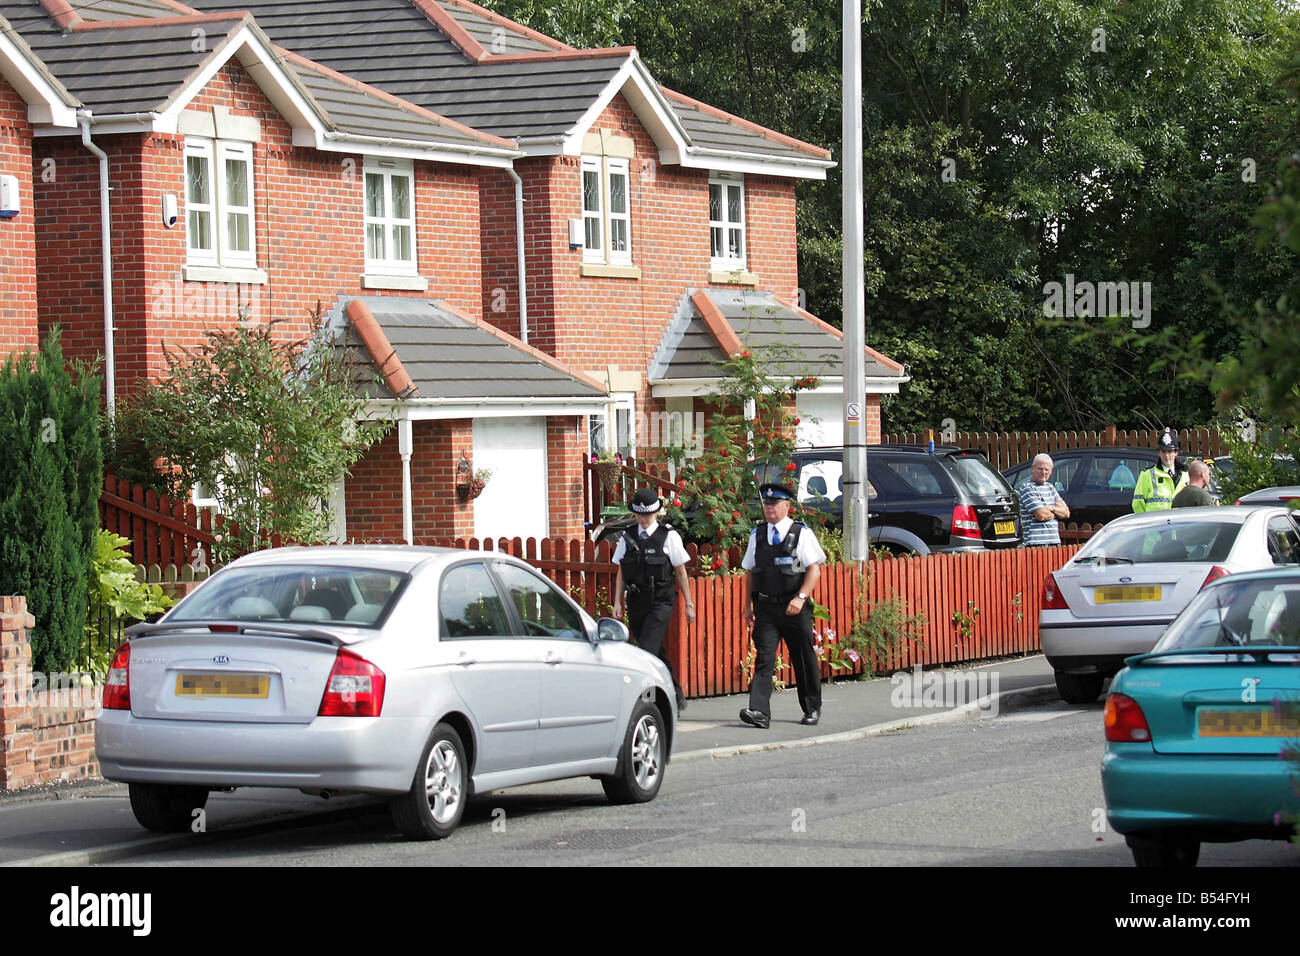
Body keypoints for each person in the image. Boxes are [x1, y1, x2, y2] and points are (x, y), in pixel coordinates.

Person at [739, 482, 827, 729]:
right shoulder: (757, 534)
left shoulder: (800, 533)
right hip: (766, 606)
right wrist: (747, 606)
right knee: (765, 658)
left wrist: (800, 597)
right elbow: (749, 572)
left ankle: (811, 707)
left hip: (794, 607)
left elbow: (814, 570)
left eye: (774, 504)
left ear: (787, 506)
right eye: (766, 504)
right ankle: (759, 712)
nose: (769, 508)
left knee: (802, 657)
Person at [611, 488, 695, 711]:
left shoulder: (669, 536)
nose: (644, 519)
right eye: (640, 515)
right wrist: (617, 601)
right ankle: (676, 696)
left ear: (656, 513)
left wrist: (688, 603)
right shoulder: (627, 537)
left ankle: (648, 701)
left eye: (648, 515)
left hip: (662, 601)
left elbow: (680, 571)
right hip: (637, 601)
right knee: (656, 651)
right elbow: (621, 571)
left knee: (646, 650)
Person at [1015, 453, 1070, 545]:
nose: (1043, 472)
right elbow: (1041, 515)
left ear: (1051, 471)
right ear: (1033, 468)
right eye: (1040, 469)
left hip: (1054, 542)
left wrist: (1051, 508)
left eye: (1046, 469)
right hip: (1035, 544)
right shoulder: (1027, 487)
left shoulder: (1051, 487)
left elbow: (1066, 513)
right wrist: (1057, 513)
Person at [1132, 428, 1188, 512]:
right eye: (1163, 451)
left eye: (1170, 451)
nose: (1166, 455)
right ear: (1159, 452)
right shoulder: (1147, 474)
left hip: (1179, 522)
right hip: (1156, 523)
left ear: (1176, 452)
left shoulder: (1186, 474)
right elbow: (1138, 504)